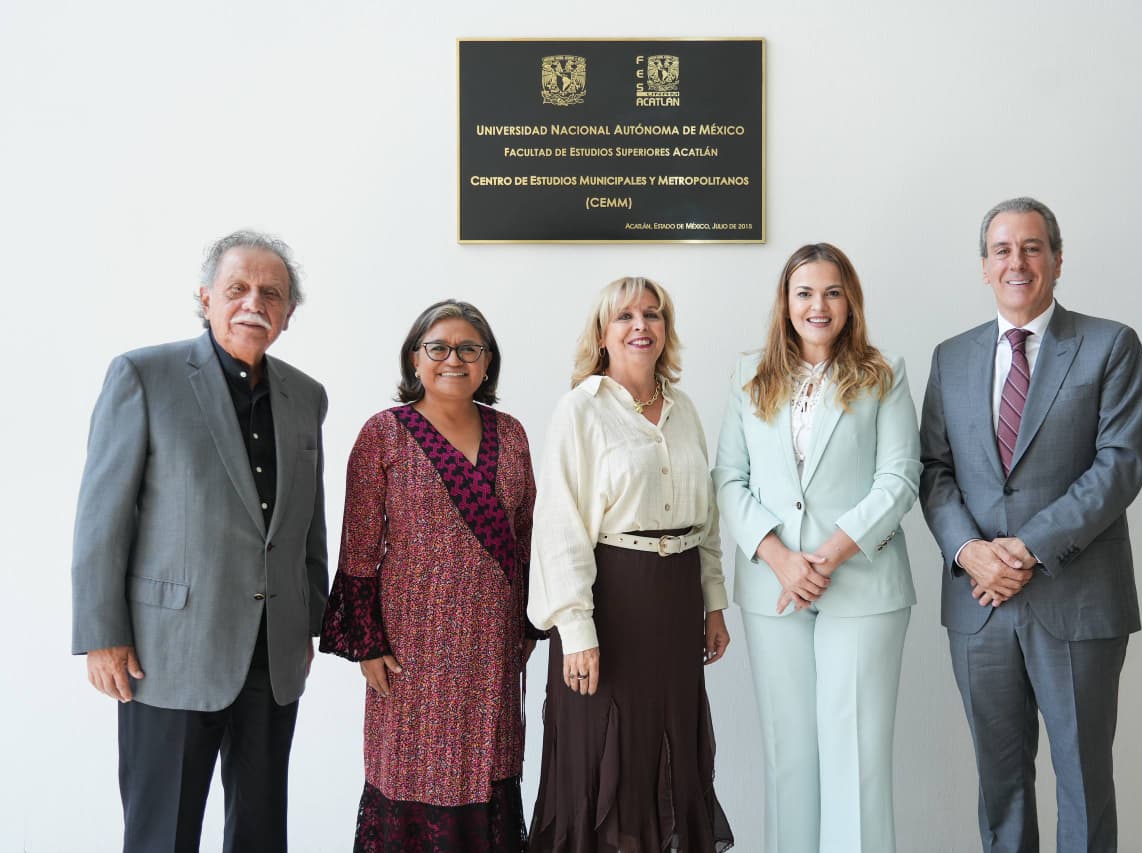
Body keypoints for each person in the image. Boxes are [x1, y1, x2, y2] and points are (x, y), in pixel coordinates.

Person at [70, 230, 328, 852]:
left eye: (272, 293)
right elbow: (103, 516)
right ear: (206, 296)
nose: (254, 303)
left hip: (273, 655)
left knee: (262, 831)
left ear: (288, 314)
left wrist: (310, 621)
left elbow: (309, 521)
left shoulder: (307, 396)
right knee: (164, 832)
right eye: (237, 288)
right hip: (168, 654)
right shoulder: (143, 375)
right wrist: (102, 635)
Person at [919, 197, 1142, 852]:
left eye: (1030, 247)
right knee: (1001, 786)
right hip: (979, 605)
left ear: (1055, 258)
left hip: (1075, 600)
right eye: (1002, 250)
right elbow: (932, 470)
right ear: (984, 267)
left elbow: (1119, 466)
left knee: (1082, 779)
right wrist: (970, 552)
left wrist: (1023, 548)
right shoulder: (951, 357)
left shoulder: (1109, 345)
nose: (1016, 262)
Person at [711, 243, 921, 852]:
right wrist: (780, 558)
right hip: (773, 586)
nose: (817, 305)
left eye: (831, 292)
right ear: (785, 302)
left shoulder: (885, 372)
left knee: (855, 753)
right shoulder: (749, 375)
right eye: (804, 292)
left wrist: (826, 556)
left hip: (862, 585)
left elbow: (900, 478)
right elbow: (729, 477)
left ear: (849, 301)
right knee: (789, 753)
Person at [320, 300, 538, 851]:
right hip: (411, 646)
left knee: (487, 765)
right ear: (414, 359)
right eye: (438, 347)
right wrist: (367, 644)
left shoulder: (511, 435)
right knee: (410, 769)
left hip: (491, 647)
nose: (454, 359)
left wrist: (527, 628)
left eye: (470, 348)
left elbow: (527, 537)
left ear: (488, 363)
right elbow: (359, 549)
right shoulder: (384, 435)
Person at [526, 277, 734, 853]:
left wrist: (715, 603)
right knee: (605, 754)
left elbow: (707, 519)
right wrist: (576, 629)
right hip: (611, 603)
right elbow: (559, 525)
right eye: (624, 316)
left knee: (669, 755)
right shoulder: (579, 410)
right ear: (601, 334)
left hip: (676, 601)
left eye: (652, 314)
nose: (640, 326)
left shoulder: (685, 409)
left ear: (666, 331)